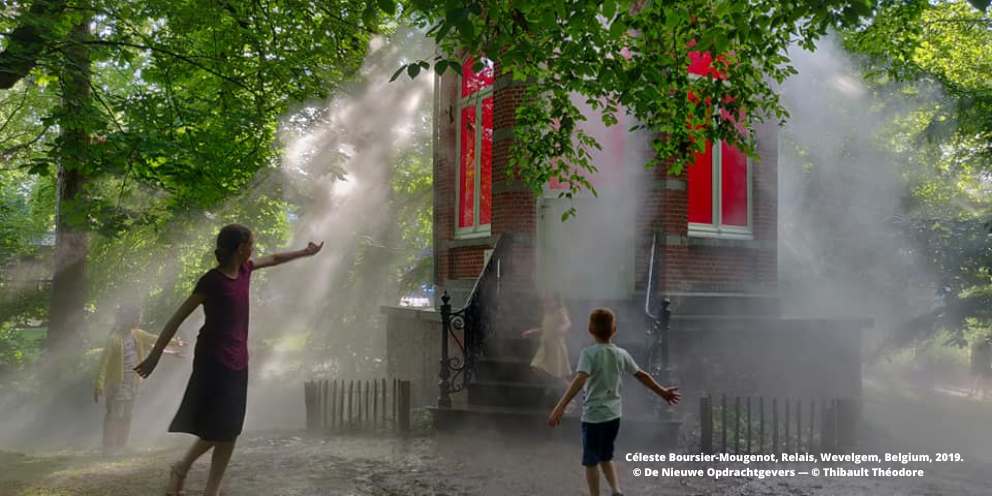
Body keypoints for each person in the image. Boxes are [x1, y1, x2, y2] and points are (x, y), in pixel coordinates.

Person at [134, 224, 323, 496]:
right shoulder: (211, 281)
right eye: (251, 244)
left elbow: (275, 258)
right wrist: (154, 356)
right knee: (219, 426)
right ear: (239, 248)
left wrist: (306, 252)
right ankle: (187, 471)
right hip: (213, 360)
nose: (254, 249)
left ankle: (198, 480)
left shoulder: (246, 270)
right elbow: (177, 317)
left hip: (238, 360)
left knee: (230, 428)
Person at [548, 308, 681, 496]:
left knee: (591, 461)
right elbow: (641, 375)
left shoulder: (589, 354)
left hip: (593, 416)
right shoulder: (621, 354)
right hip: (613, 416)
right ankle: (616, 490)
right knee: (606, 455)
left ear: (590, 330)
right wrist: (663, 392)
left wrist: (560, 406)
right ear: (614, 330)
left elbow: (579, 380)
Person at [94, 303, 185, 455]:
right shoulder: (114, 339)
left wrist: (175, 344)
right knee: (114, 415)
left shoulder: (137, 335)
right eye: (137, 317)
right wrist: (99, 384)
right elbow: (104, 363)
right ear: (129, 319)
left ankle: (121, 446)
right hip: (117, 384)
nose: (139, 319)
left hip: (133, 382)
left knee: (127, 415)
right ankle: (108, 448)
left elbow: (156, 341)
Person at [521, 292, 573, 385]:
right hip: (545, 347)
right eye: (544, 302)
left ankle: (569, 391)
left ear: (557, 302)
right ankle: (552, 384)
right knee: (535, 367)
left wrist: (563, 328)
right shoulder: (547, 314)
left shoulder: (560, 311)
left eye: (549, 302)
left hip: (555, 348)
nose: (546, 304)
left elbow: (568, 323)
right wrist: (532, 331)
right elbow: (545, 329)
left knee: (559, 376)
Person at [970, 335, 991, 400]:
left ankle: (981, 393)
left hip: (985, 365)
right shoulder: (982, 346)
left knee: (983, 379)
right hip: (983, 365)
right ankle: (975, 392)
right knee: (981, 378)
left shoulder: (989, 346)